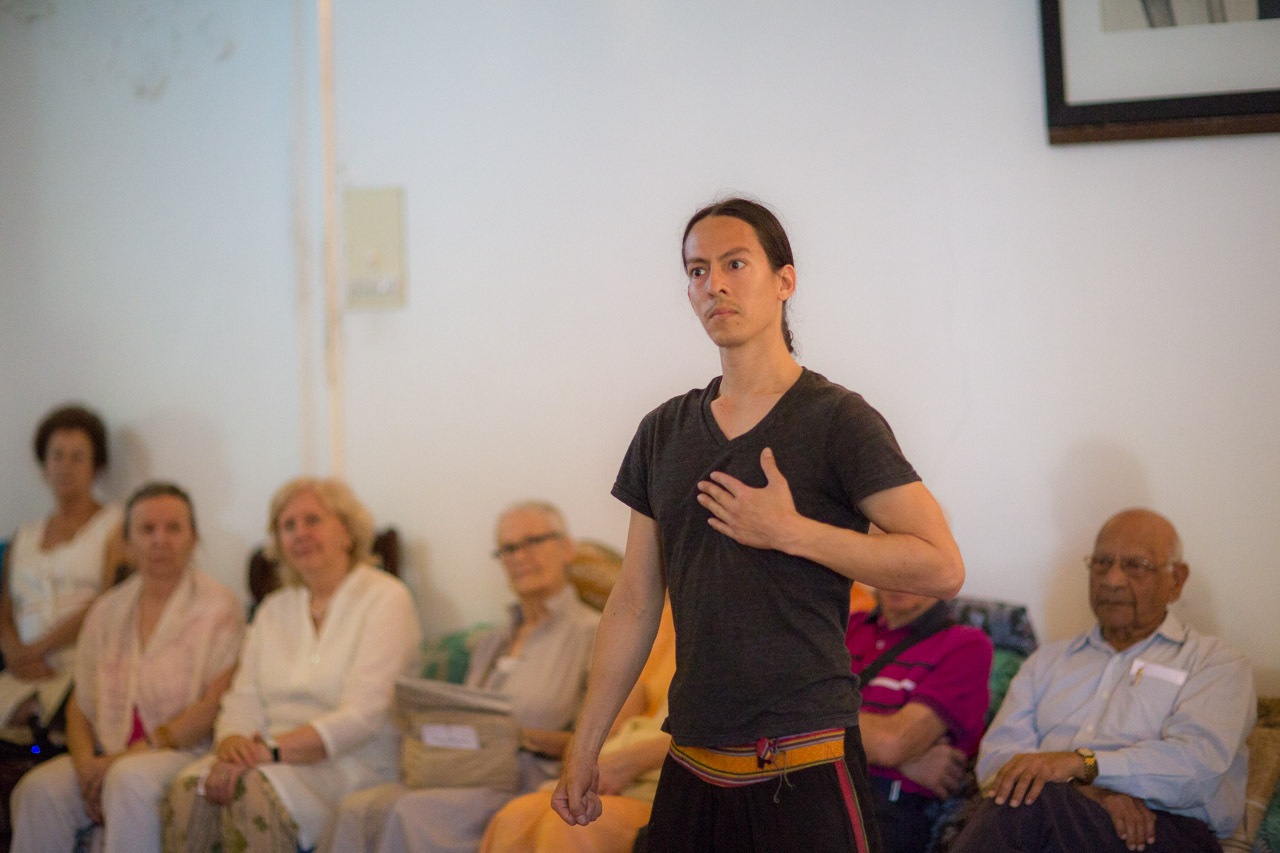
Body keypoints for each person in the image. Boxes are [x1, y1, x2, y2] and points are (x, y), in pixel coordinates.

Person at [554, 198, 965, 852]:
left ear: (784, 280)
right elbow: (633, 601)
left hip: (807, 758)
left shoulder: (838, 420)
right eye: (697, 270)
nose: (713, 284)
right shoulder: (662, 432)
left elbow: (941, 566)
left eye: (735, 264)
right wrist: (585, 745)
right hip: (692, 758)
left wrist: (792, 531)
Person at [951, 508, 1255, 853]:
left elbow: (1197, 768)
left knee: (1030, 801)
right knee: (1025, 797)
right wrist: (1088, 789)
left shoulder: (1216, 663)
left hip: (1160, 830)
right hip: (1053, 813)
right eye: (1101, 563)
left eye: (1136, 565)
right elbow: (997, 759)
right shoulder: (1047, 662)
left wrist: (1084, 764)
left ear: (1176, 580)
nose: (1112, 580)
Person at [323, 500, 599, 853]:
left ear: (566, 548)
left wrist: (517, 735)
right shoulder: (490, 641)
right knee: (356, 808)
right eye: (508, 548)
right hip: (462, 773)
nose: (520, 556)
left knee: (409, 813)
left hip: (525, 781)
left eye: (533, 541)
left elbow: (603, 740)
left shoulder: (595, 633)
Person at [163, 477, 421, 853]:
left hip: (351, 763)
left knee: (249, 789)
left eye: (312, 520)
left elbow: (365, 714)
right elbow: (243, 697)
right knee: (192, 786)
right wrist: (233, 743)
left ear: (347, 531)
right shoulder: (273, 609)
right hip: (267, 758)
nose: (300, 533)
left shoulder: (386, 598)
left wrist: (269, 752)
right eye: (288, 525)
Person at [9, 481, 244, 853]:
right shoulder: (107, 609)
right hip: (107, 752)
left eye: (173, 528)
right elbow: (80, 705)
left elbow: (212, 705)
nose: (159, 540)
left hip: (184, 753)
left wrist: (121, 759)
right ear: (128, 543)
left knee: (126, 778)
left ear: (194, 539)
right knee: (38, 789)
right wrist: (86, 766)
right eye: (147, 529)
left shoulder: (219, 607)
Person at [478, 598, 676, 853]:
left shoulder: (585, 628)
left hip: (660, 780)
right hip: (614, 760)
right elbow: (631, 694)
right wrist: (583, 755)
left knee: (575, 825)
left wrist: (625, 763)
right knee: (514, 817)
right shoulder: (661, 617)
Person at [0, 404, 126, 731]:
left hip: (80, 666)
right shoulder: (24, 535)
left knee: (43, 719)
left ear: (97, 466)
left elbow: (109, 601)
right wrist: (15, 654)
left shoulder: (115, 526)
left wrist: (38, 650)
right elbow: (5, 610)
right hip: (20, 668)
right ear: (43, 465)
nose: (65, 467)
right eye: (57, 456)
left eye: (77, 457)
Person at [845, 587, 993, 853]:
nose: (900, 580)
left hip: (883, 811)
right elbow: (787, 715)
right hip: (811, 791)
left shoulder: (967, 644)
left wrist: (816, 723)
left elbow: (892, 743)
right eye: (891, 566)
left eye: (911, 568)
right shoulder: (845, 625)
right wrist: (903, 763)